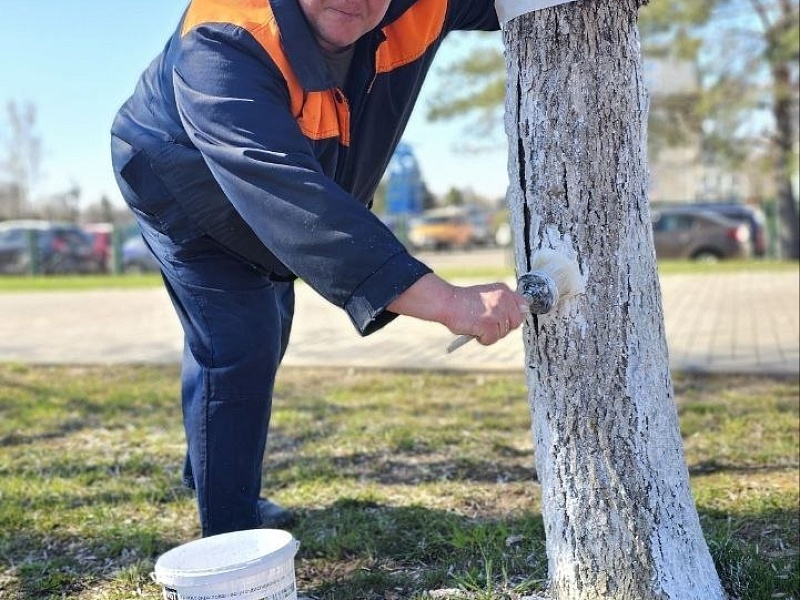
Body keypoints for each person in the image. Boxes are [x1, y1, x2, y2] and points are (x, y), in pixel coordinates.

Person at [110, 0, 527, 538]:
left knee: (264, 327)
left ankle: (211, 465)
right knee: (239, 341)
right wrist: (451, 302)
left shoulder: (423, 5)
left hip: (280, 182)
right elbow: (298, 202)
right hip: (179, 182)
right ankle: (234, 545)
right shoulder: (223, 40)